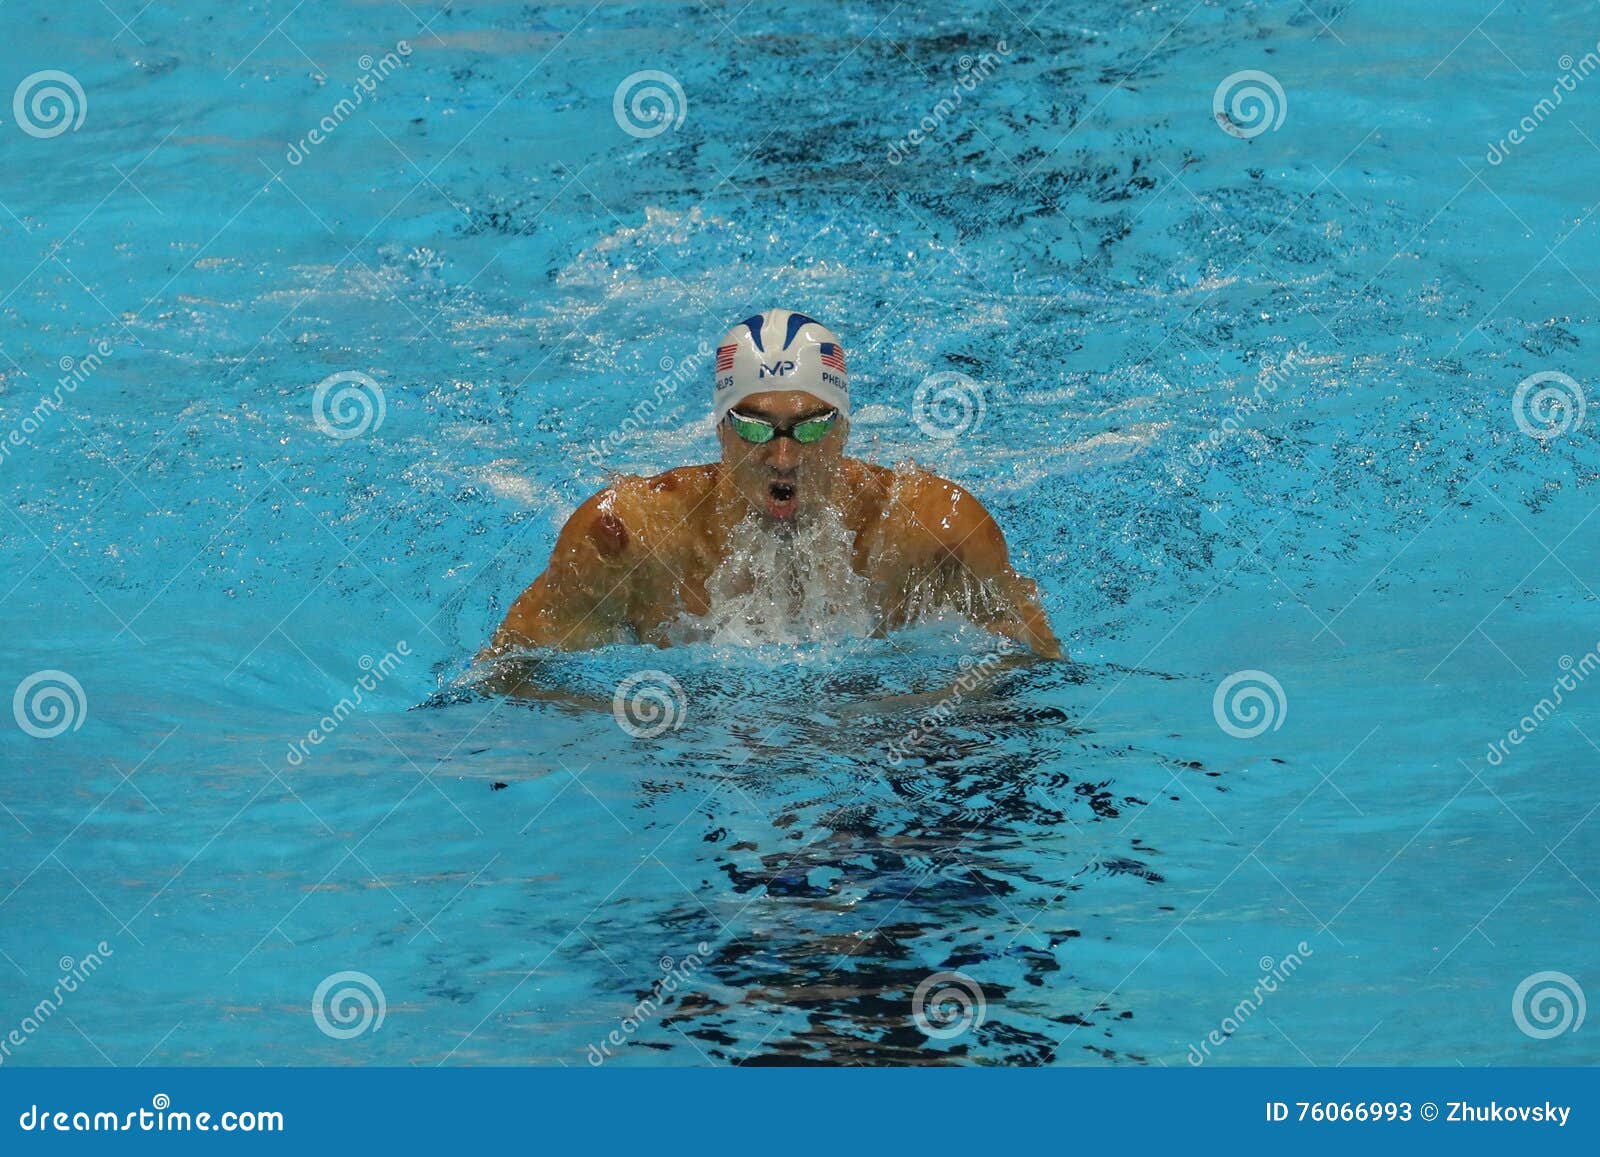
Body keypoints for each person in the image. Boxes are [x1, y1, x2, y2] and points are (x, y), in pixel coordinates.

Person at [483, 309, 1062, 659]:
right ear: (720, 427)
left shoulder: (935, 530)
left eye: (811, 428)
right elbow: (514, 680)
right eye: (756, 427)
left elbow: (1029, 675)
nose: (783, 458)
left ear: (845, 428)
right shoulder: (630, 539)